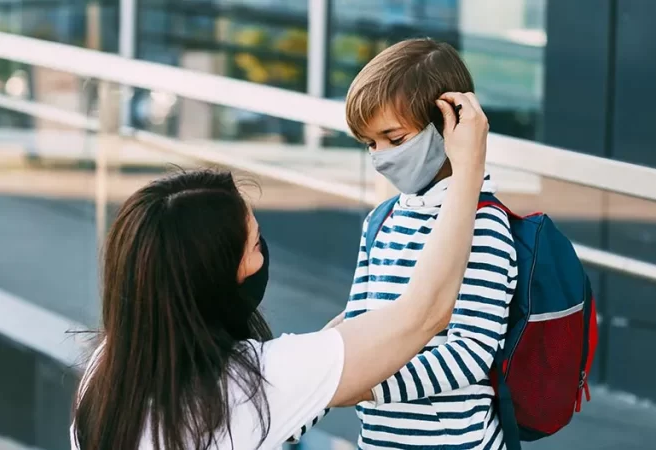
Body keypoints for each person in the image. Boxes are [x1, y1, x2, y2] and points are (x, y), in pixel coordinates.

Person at [69, 89, 489, 450]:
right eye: (254, 244)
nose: (264, 252)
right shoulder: (249, 383)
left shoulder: (107, 374)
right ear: (216, 277)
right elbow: (427, 312)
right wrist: (469, 168)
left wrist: (345, 333)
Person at [293, 38, 517, 449]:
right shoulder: (382, 220)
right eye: (370, 144)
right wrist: (296, 403)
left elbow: (470, 352)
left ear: (447, 124)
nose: (380, 157)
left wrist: (369, 388)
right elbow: (358, 329)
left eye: (395, 139)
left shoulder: (484, 223)